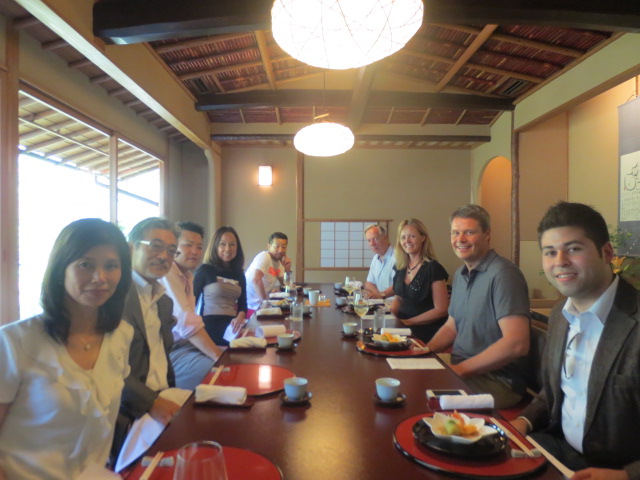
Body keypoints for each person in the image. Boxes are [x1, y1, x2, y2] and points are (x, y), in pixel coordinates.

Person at [510, 202, 640, 480]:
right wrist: (523, 421)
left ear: (606, 252)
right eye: (550, 252)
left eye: (573, 249)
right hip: (557, 451)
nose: (560, 261)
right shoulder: (560, 314)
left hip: (615, 469)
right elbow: (558, 389)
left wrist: (626, 475)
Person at [0, 218, 133, 479]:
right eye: (86, 265)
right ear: (61, 268)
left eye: (111, 266)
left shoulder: (121, 335)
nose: (100, 278)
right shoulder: (14, 341)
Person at [426, 204, 530, 409]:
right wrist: (423, 351)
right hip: (461, 366)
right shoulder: (460, 274)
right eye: (455, 233)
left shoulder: (503, 274)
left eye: (469, 232)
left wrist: (460, 370)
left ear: (487, 234)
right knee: (407, 378)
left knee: (422, 400)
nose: (460, 239)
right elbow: (451, 326)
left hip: (497, 381)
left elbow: (517, 343)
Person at [113, 218, 181, 456]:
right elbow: (108, 369)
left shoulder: (164, 302)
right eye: (155, 245)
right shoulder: (113, 298)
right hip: (129, 411)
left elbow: (162, 358)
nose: (164, 256)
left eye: (171, 251)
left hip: (166, 396)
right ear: (131, 247)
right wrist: (151, 403)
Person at [159, 221, 222, 390]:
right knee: (218, 372)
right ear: (174, 247)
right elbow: (185, 321)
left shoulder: (188, 276)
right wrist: (217, 355)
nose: (195, 252)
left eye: (199, 247)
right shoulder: (168, 272)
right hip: (170, 351)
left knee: (234, 358)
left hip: (185, 345)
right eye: (188, 245)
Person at [390, 218, 449, 342]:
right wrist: (390, 318)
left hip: (424, 332)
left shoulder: (433, 268)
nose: (407, 241)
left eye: (412, 236)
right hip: (401, 330)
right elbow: (399, 297)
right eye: (403, 237)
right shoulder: (400, 266)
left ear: (423, 238)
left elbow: (441, 310)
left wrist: (409, 322)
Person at [194, 226, 248, 345]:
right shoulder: (205, 270)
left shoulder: (239, 273)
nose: (228, 249)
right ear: (215, 246)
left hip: (233, 327)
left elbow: (243, 305)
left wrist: (240, 317)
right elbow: (190, 302)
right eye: (222, 244)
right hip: (210, 327)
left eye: (232, 244)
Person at [245, 232, 292, 312]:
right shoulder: (264, 256)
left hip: (261, 304)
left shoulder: (278, 262)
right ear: (269, 246)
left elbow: (285, 285)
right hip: (251, 307)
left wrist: (287, 268)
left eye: (284, 247)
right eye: (277, 246)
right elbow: (256, 280)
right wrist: (265, 302)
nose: (280, 250)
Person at [364, 224, 395, 299]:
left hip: (394, 305)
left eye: (375, 239)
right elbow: (369, 283)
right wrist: (379, 297)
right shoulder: (375, 258)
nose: (372, 244)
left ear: (385, 238)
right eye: (369, 240)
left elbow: (398, 286)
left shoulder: (397, 258)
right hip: (381, 303)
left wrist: (380, 296)